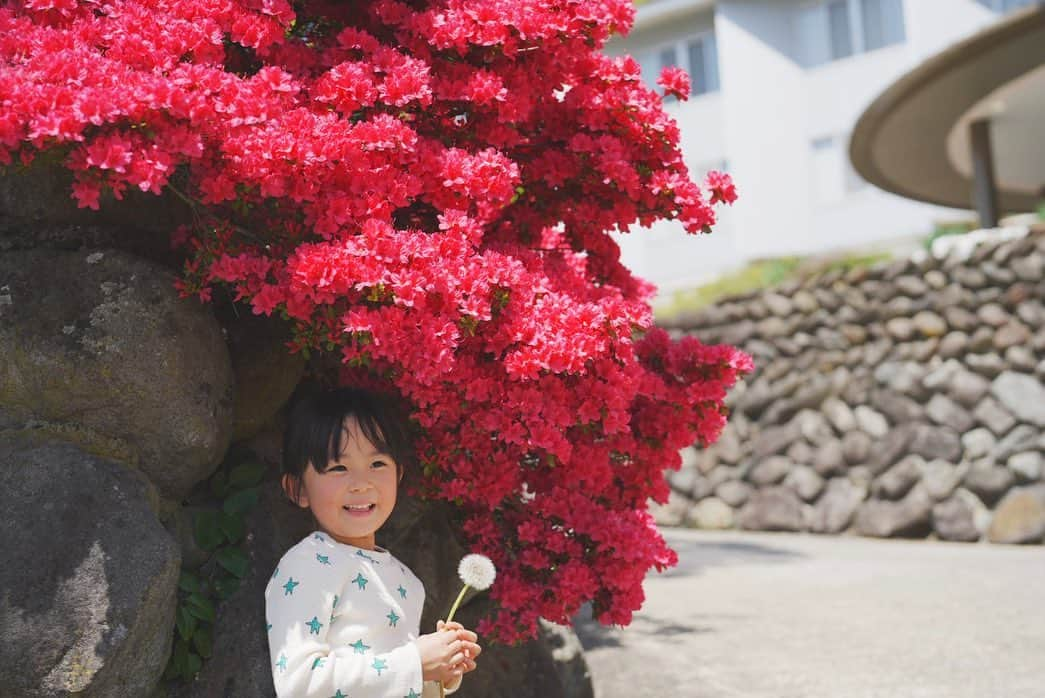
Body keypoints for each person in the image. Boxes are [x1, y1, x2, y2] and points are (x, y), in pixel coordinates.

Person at [266, 388, 481, 698]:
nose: (361, 483)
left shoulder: (407, 579)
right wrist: (416, 662)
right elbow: (298, 685)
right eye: (339, 468)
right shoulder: (306, 564)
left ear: (399, 474)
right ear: (297, 488)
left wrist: (442, 668)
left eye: (377, 464)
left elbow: (395, 683)